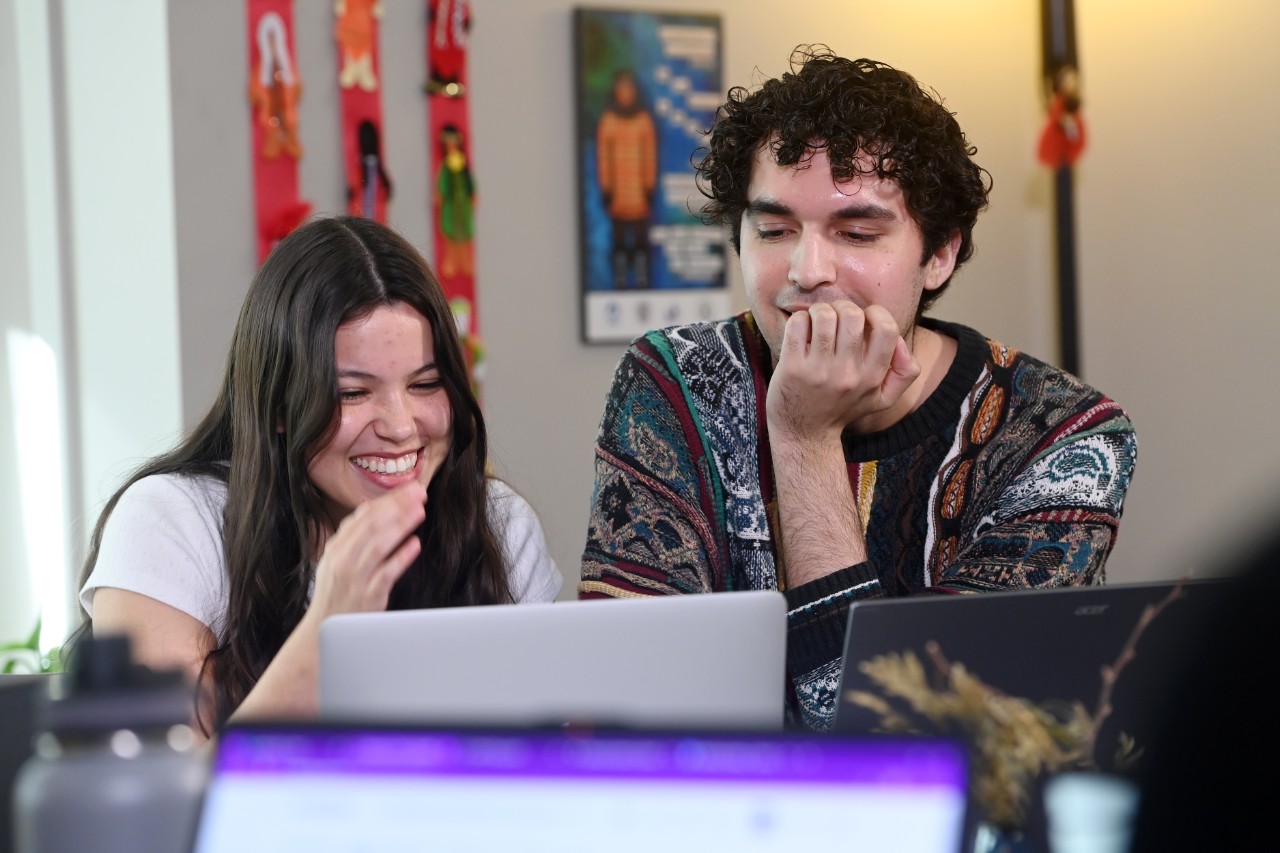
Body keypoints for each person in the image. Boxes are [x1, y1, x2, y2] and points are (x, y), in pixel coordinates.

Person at [580, 46, 1137, 731]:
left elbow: (908, 743)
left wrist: (805, 436)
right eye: (775, 229)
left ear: (939, 254)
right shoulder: (675, 382)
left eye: (858, 232)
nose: (808, 270)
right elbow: (622, 698)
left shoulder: (1062, 435)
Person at [76, 216, 562, 739]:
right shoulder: (171, 521)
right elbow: (164, 793)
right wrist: (328, 623)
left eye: (425, 384)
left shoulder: (499, 523)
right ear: (280, 404)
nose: (400, 427)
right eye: (352, 393)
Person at [596, 68, 657, 290]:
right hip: (618, 194)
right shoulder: (609, 120)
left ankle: (641, 277)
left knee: (641, 239)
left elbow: (649, 155)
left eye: (628, 88)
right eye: (621, 88)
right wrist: (606, 188)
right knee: (619, 239)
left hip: (639, 194)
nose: (625, 93)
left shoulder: (643, 120)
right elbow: (604, 157)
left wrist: (649, 187)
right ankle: (620, 278)